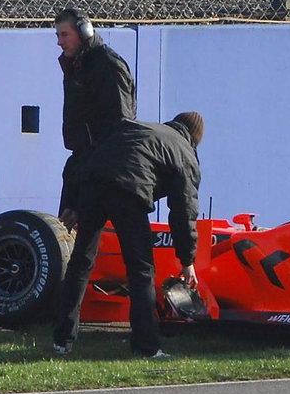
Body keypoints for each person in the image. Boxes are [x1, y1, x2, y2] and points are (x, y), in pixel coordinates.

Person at [52, 112, 204, 358]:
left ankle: (62, 341)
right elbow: (184, 211)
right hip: (127, 192)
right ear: (195, 139)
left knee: (81, 263)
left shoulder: (137, 129)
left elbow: (83, 157)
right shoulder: (184, 151)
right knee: (141, 269)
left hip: (92, 184)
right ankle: (147, 347)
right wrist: (187, 261)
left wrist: (72, 203)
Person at [54, 7, 137, 229]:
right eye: (57, 35)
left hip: (101, 162)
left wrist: (102, 166)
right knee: (65, 229)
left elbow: (122, 122)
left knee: (87, 234)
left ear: (84, 32)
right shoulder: (75, 65)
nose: (59, 42)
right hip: (81, 159)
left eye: (65, 34)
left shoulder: (107, 64)